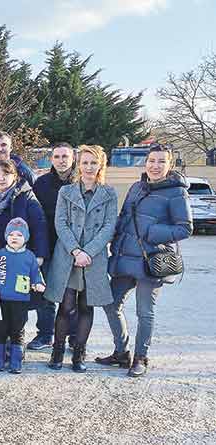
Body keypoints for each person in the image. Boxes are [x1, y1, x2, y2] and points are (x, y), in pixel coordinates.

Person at [97, 144, 192, 377]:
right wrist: (112, 239)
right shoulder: (137, 187)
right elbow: (124, 217)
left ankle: (141, 357)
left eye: (161, 161)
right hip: (126, 257)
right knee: (110, 304)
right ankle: (121, 352)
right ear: (145, 162)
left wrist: (153, 233)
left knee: (144, 311)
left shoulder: (177, 192)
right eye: (152, 160)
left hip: (152, 260)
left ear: (170, 165)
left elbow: (185, 228)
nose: (155, 166)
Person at [45, 145, 118, 372]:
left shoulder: (109, 193)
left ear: (100, 166)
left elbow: (108, 226)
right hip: (68, 256)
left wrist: (88, 252)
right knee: (66, 306)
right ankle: (57, 351)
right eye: (85, 162)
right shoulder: (66, 192)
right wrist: (76, 251)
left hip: (93, 259)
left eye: (93, 163)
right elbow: (61, 223)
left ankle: (79, 353)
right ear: (79, 164)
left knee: (87, 307)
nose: (88, 167)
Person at [0, 159, 48, 357]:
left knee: (12, 301)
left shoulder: (25, 196)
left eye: (6, 174)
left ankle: (13, 340)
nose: (1, 178)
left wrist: (39, 255)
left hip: (15, 257)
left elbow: (39, 225)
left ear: (15, 176)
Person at [26, 142, 76, 351]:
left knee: (70, 294)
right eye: (57, 156)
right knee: (45, 293)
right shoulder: (42, 183)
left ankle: (72, 336)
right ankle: (45, 334)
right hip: (47, 245)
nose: (61, 160)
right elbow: (34, 217)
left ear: (72, 158)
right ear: (52, 159)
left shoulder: (81, 182)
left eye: (65, 156)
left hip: (73, 247)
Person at [0, 218, 46, 374]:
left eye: (19, 235)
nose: (14, 237)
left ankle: (16, 360)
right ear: (6, 236)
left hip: (20, 301)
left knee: (17, 330)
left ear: (25, 238)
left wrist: (38, 284)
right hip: (0, 300)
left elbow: (36, 274)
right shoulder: (0, 255)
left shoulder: (30, 256)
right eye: (11, 234)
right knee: (0, 329)